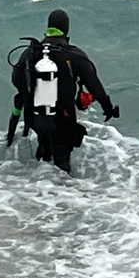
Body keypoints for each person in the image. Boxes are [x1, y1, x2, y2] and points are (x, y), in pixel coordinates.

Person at [11, 9, 118, 173]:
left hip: (36, 118)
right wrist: (108, 108)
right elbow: (95, 87)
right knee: (62, 166)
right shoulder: (75, 55)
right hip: (63, 120)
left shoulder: (30, 52)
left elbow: (16, 81)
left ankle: (36, 190)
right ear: (66, 29)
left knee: (44, 151)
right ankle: (61, 194)